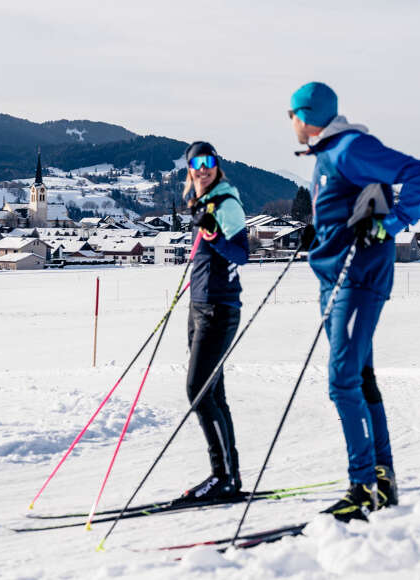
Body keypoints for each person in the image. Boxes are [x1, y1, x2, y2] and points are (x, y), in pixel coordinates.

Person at [288, 82, 420, 521]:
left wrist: (391, 224)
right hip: (334, 278)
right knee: (361, 375)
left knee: (342, 380)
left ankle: (362, 487)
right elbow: (344, 207)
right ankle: (382, 476)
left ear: (308, 113)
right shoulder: (329, 154)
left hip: (357, 278)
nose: (290, 123)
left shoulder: (351, 148)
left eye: (291, 114)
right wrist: (322, 231)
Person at [181, 141, 249, 501]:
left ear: (217, 165)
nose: (203, 168)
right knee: (213, 393)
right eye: (196, 163)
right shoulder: (202, 202)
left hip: (219, 309)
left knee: (199, 391)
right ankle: (228, 476)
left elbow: (242, 253)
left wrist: (212, 234)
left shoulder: (226, 203)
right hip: (199, 306)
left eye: (209, 162)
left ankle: (222, 475)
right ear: (189, 169)